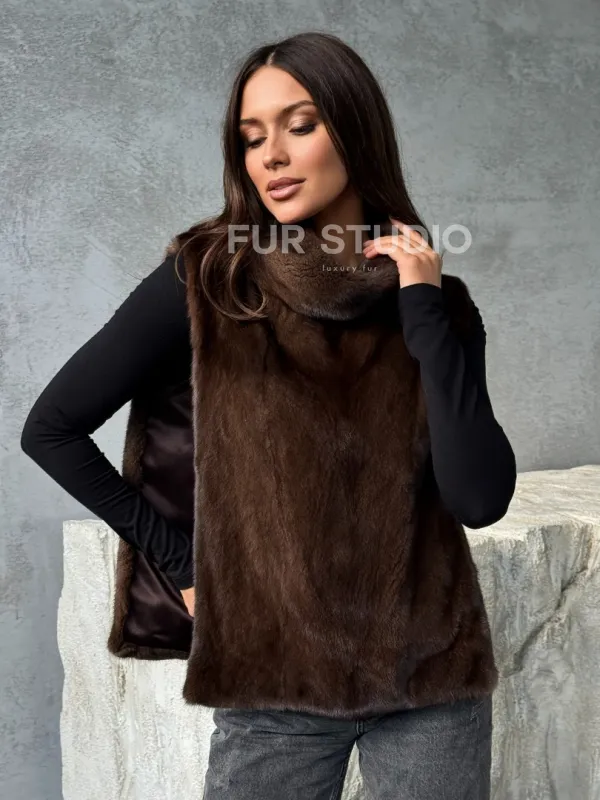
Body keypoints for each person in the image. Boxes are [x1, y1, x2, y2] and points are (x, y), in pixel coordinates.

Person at [21, 30, 516, 800]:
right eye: (252, 138)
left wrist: (422, 308)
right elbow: (50, 429)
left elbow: (479, 499)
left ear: (355, 130)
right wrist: (184, 565)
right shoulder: (210, 279)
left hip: (431, 687)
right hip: (274, 694)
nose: (272, 156)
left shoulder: (435, 307)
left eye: (300, 125)